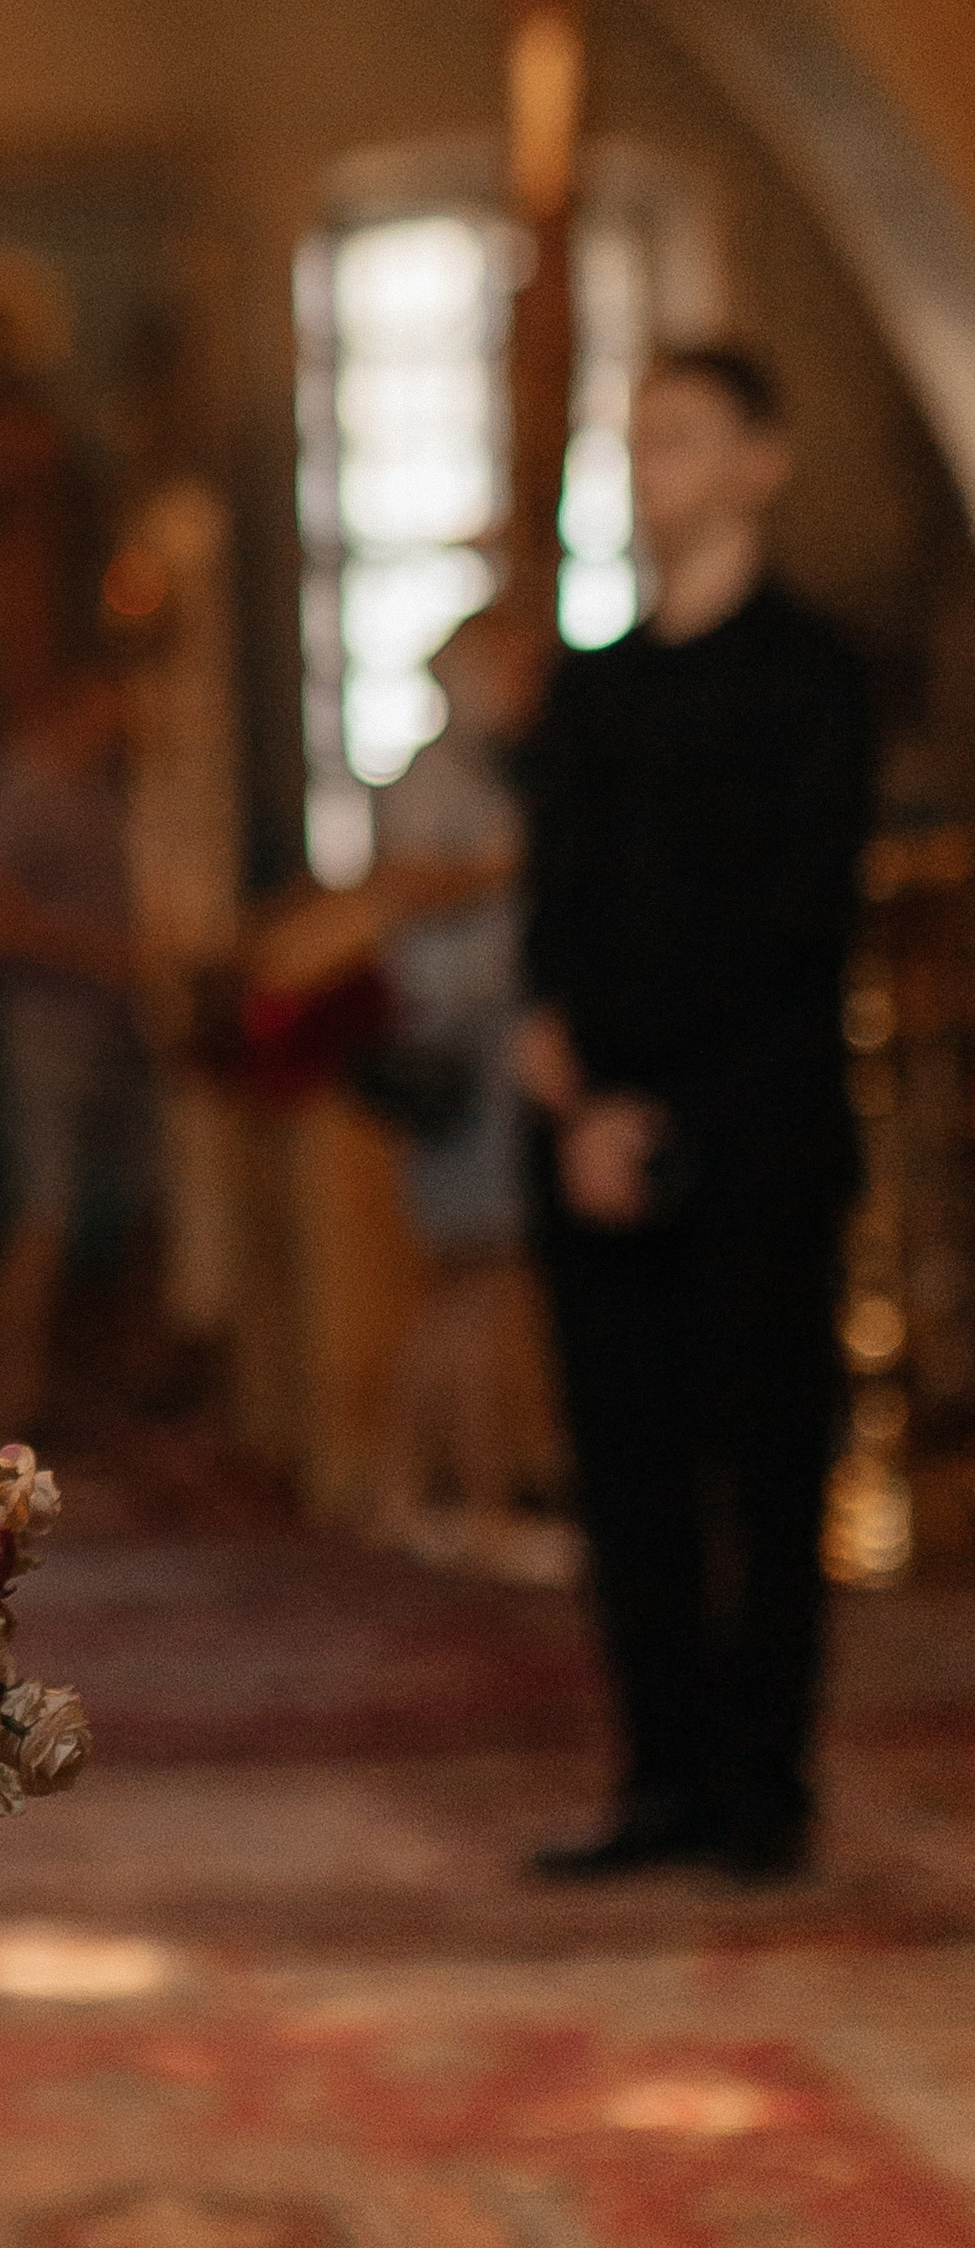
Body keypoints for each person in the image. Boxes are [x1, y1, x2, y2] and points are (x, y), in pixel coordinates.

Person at [519, 345, 875, 1882]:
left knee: (767, 1465)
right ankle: (658, 1775)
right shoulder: (596, 687)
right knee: (629, 1474)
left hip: (757, 1132)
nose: (649, 466)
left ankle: (763, 1790)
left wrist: (658, 1108)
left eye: (679, 436)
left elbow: (793, 922)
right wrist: (580, 1097)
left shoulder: (818, 675)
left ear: (760, 462)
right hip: (591, 1142)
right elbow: (559, 917)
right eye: (636, 438)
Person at [368, 604, 564, 1569]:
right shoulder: (431, 779)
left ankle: (409, 1492)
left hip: (494, 1047)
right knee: (475, 1277)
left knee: (467, 1284)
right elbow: (402, 882)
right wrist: (510, 869)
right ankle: (478, 1506)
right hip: (457, 1052)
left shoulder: (499, 775)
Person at [0, 662, 156, 1442]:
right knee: (46, 1204)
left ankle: (121, 1373)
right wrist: (98, 952)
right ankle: (17, 1387)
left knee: (132, 1200)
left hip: (111, 1026)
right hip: (46, 1026)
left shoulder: (97, 787)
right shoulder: (18, 787)